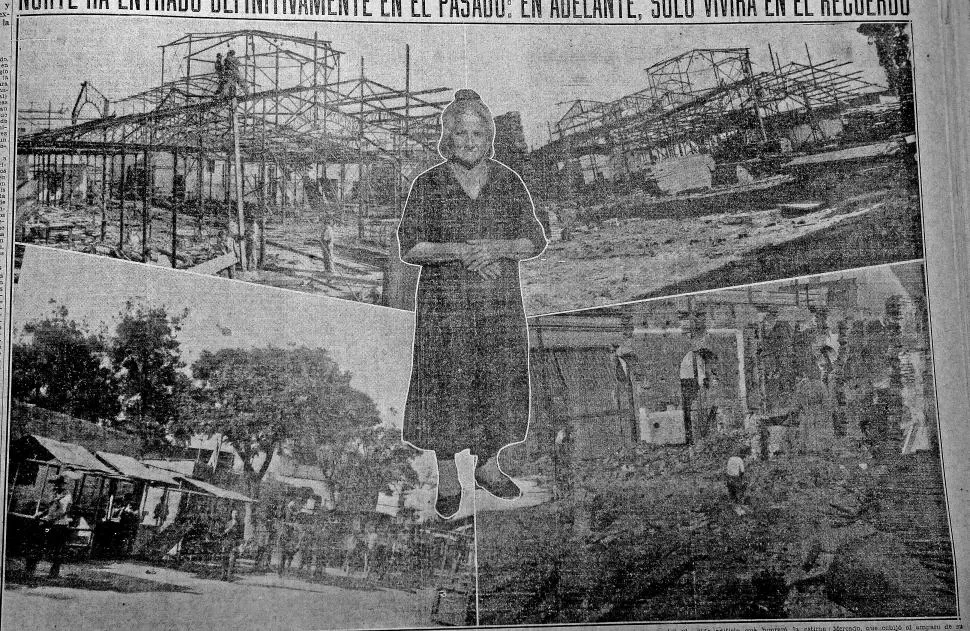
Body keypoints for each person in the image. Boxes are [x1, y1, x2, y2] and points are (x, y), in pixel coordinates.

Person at [397, 89, 548, 519]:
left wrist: (496, 247)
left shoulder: (508, 181)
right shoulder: (428, 184)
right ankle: (448, 473)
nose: (468, 140)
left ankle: (487, 465)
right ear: (446, 137)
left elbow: (535, 240)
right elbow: (411, 246)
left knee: (498, 381)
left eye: (477, 132)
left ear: (490, 137)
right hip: (446, 308)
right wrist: (462, 252)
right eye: (459, 132)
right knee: (446, 382)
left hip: (498, 306)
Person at [25, 476, 73, 579]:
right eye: (54, 484)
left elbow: (64, 511)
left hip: (60, 525)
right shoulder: (54, 494)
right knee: (37, 543)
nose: (55, 486)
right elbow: (50, 509)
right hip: (49, 522)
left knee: (57, 549)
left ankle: (54, 572)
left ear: (63, 485)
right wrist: (41, 514)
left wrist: (52, 519)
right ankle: (30, 569)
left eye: (57, 484)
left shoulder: (67, 496)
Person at [220, 508, 244, 581]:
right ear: (231, 514)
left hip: (234, 544)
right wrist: (231, 527)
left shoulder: (240, 525)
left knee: (232, 561)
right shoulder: (228, 523)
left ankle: (229, 577)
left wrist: (241, 546)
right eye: (234, 513)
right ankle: (223, 576)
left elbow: (241, 536)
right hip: (226, 543)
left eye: (237, 513)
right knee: (225, 560)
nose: (235, 515)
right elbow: (223, 533)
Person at [725, 448, 748, 514]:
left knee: (731, 493)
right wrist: (741, 477)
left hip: (729, 478)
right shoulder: (739, 459)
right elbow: (742, 471)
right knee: (739, 493)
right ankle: (739, 511)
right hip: (736, 478)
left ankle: (733, 509)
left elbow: (727, 469)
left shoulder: (730, 458)